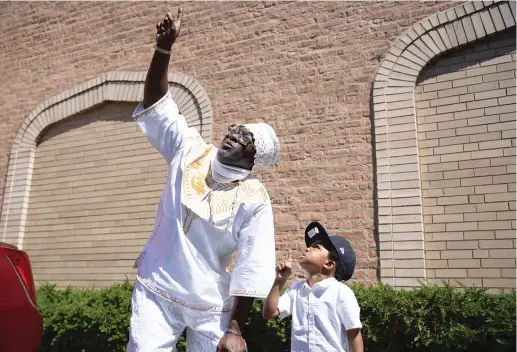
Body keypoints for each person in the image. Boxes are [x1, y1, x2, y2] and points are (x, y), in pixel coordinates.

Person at [127, 9, 280, 352]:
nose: (233, 136)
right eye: (235, 130)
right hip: (158, 287)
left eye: (245, 138)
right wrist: (163, 49)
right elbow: (156, 103)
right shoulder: (191, 148)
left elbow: (253, 263)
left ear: (254, 158)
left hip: (212, 304)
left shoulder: (253, 196)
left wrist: (236, 329)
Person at [263, 222, 364, 352]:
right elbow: (269, 313)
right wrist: (280, 280)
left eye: (316, 247)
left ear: (329, 263)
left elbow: (354, 335)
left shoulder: (341, 292)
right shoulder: (297, 290)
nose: (307, 249)